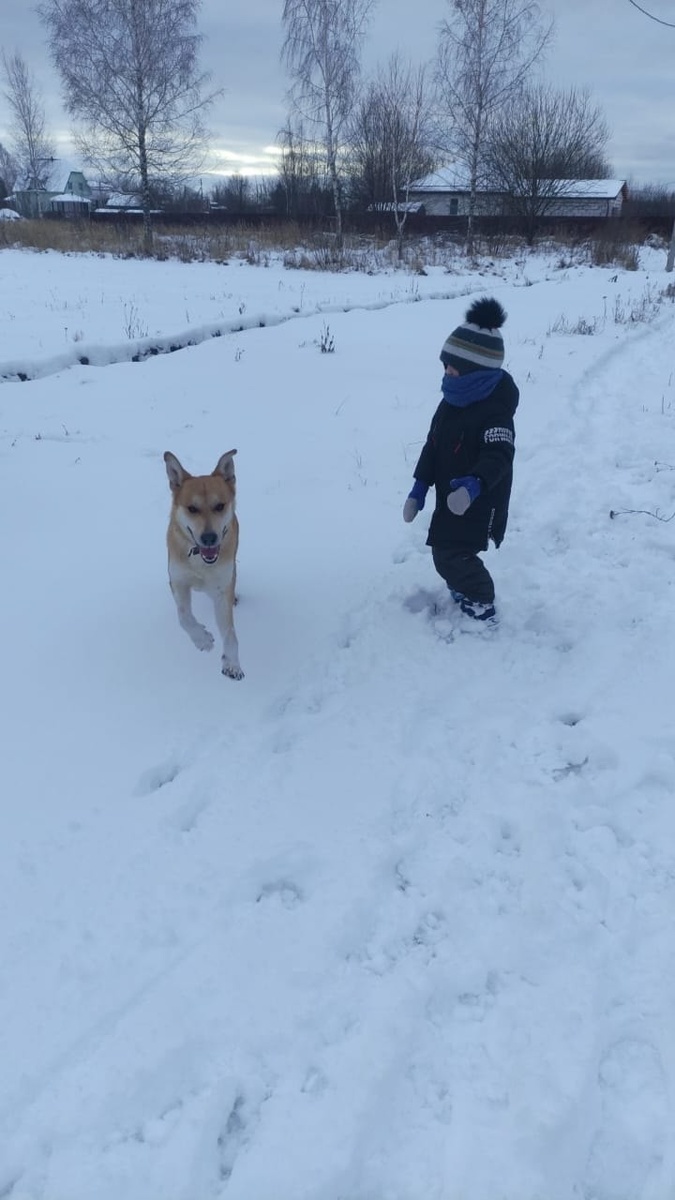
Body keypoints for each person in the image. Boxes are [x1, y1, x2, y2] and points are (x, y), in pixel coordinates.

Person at [403, 296, 519, 623]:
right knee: (446, 549)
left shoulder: (495, 409)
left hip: (479, 499)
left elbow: (500, 454)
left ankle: (480, 596)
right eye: (445, 365)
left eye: (455, 368)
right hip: (449, 495)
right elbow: (433, 444)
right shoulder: (452, 399)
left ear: (478, 371)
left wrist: (474, 484)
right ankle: (464, 585)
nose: (447, 373)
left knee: (450, 553)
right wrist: (419, 486)